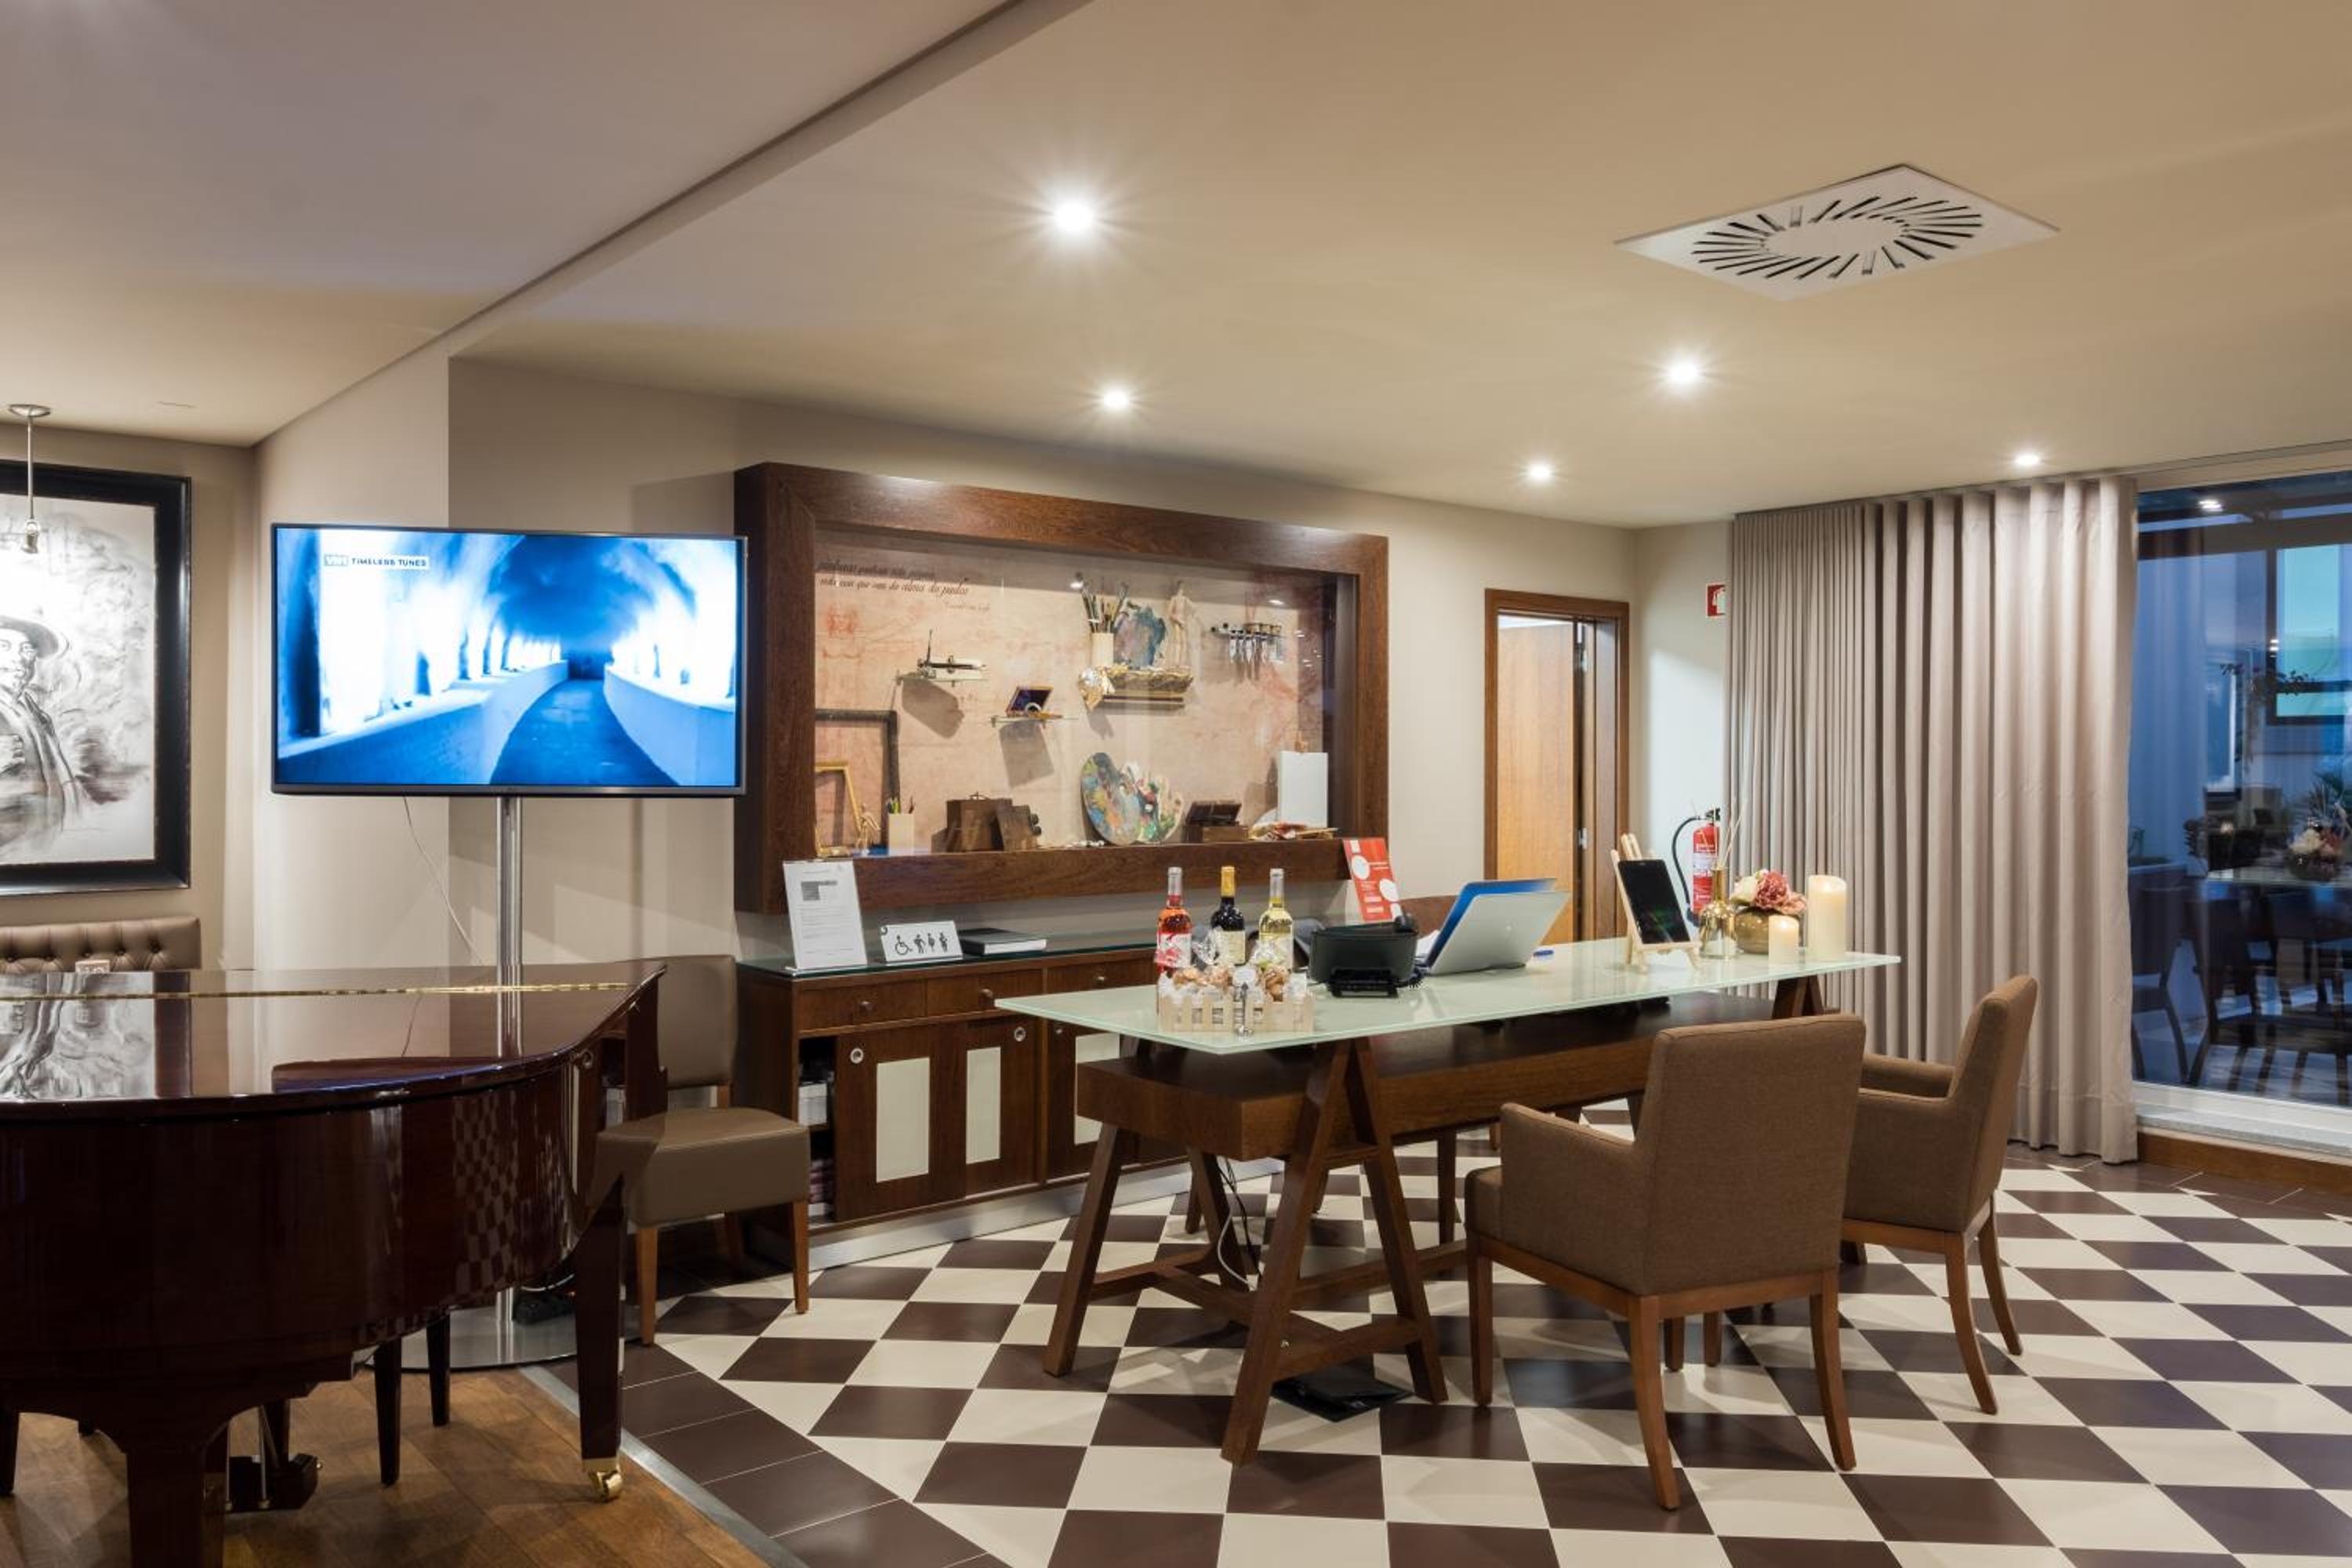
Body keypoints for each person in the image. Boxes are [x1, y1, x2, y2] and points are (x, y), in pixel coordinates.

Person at [0, 614, 85, 852]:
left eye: (27, 649)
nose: (19, 659)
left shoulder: (35, 713)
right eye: (3, 646)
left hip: (48, 847)